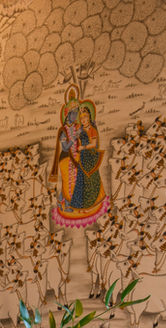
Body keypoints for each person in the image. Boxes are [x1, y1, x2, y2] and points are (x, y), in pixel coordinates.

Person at [50, 90, 110, 228]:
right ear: (67, 115)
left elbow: (88, 133)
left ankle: (79, 203)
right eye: (73, 113)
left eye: (76, 113)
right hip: (66, 159)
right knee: (68, 182)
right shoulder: (63, 130)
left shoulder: (78, 127)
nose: (75, 116)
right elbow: (65, 147)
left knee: (78, 181)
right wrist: (75, 138)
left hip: (78, 158)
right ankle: (64, 203)